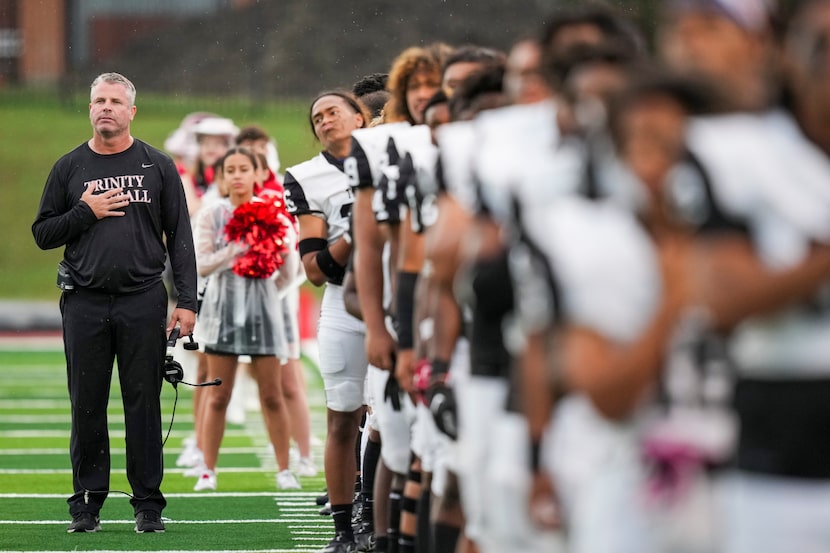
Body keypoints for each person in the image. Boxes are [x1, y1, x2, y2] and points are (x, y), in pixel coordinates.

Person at [32, 72, 197, 534]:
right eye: (98, 101)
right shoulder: (69, 167)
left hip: (143, 300)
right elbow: (43, 233)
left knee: (143, 402)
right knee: (87, 403)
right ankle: (86, 503)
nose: (106, 107)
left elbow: (180, 237)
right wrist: (86, 212)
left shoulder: (158, 165)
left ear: (131, 111)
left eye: (115, 101)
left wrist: (188, 301)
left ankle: (148, 504)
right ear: (89, 109)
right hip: (83, 301)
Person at [283, 91, 370, 553]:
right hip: (345, 300)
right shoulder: (305, 177)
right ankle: (343, 530)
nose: (323, 120)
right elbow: (316, 270)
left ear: (361, 116)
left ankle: (379, 518)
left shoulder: (397, 160)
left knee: (388, 422)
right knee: (344, 417)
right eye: (316, 117)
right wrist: (359, 231)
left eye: (332, 111)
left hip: (398, 297)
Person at [192, 146, 301, 492]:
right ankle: (208, 470)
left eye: (244, 169)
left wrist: (267, 297)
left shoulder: (275, 216)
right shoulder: (212, 214)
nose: (237, 175)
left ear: (258, 174)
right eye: (230, 170)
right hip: (221, 314)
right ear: (222, 177)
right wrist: (237, 249)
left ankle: (285, 469)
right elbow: (202, 263)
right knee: (218, 395)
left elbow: (290, 270)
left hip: (263, 316)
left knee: (272, 394)